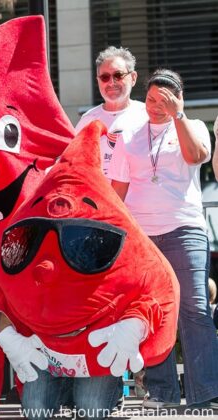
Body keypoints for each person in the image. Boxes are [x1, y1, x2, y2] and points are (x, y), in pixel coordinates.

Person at [109, 68, 218, 409]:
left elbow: (197, 155)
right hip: (142, 236)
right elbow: (118, 190)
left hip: (185, 230)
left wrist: (179, 115)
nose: (156, 107)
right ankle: (163, 393)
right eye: (152, 99)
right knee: (153, 314)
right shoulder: (129, 134)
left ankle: (207, 394)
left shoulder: (192, 126)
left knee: (194, 309)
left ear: (178, 99)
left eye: (165, 101)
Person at [75, 46, 147, 176]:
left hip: (139, 195)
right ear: (98, 81)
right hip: (100, 195)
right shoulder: (88, 119)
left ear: (133, 78)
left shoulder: (148, 115)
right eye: (104, 77)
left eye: (118, 75)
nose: (111, 82)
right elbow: (73, 163)